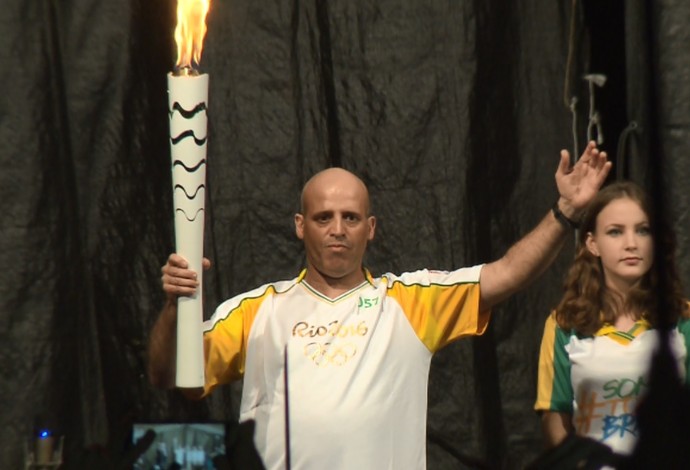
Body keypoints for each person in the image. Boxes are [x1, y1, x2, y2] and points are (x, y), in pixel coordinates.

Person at [149, 142, 610, 470]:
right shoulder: (257, 311)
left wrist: (565, 213)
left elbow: (508, 272)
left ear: (370, 228)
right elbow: (173, 378)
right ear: (299, 226)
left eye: (350, 218)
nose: (337, 229)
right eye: (323, 217)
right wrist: (175, 309)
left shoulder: (409, 302)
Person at [534, 181, 690, 457]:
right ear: (592, 243)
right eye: (615, 232)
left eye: (643, 230)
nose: (631, 244)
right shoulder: (564, 324)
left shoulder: (683, 319)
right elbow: (555, 415)